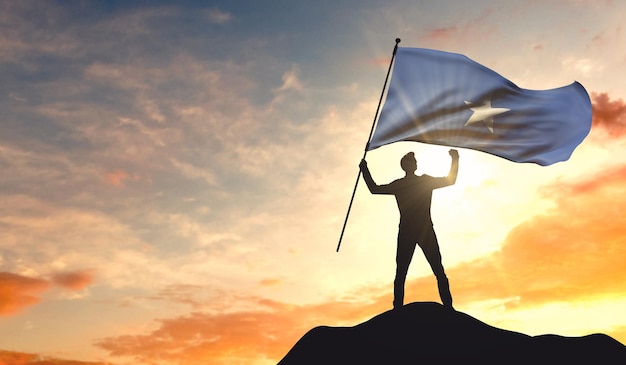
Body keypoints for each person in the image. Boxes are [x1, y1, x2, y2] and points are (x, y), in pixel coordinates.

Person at [359, 149, 459, 310]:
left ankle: (447, 306)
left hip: (418, 229)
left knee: (433, 269)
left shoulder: (409, 183)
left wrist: (365, 170)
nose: (414, 164)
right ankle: (399, 307)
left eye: (413, 162)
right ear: (408, 166)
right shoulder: (413, 183)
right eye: (411, 162)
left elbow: (450, 180)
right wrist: (365, 170)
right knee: (406, 271)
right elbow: (375, 189)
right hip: (416, 230)